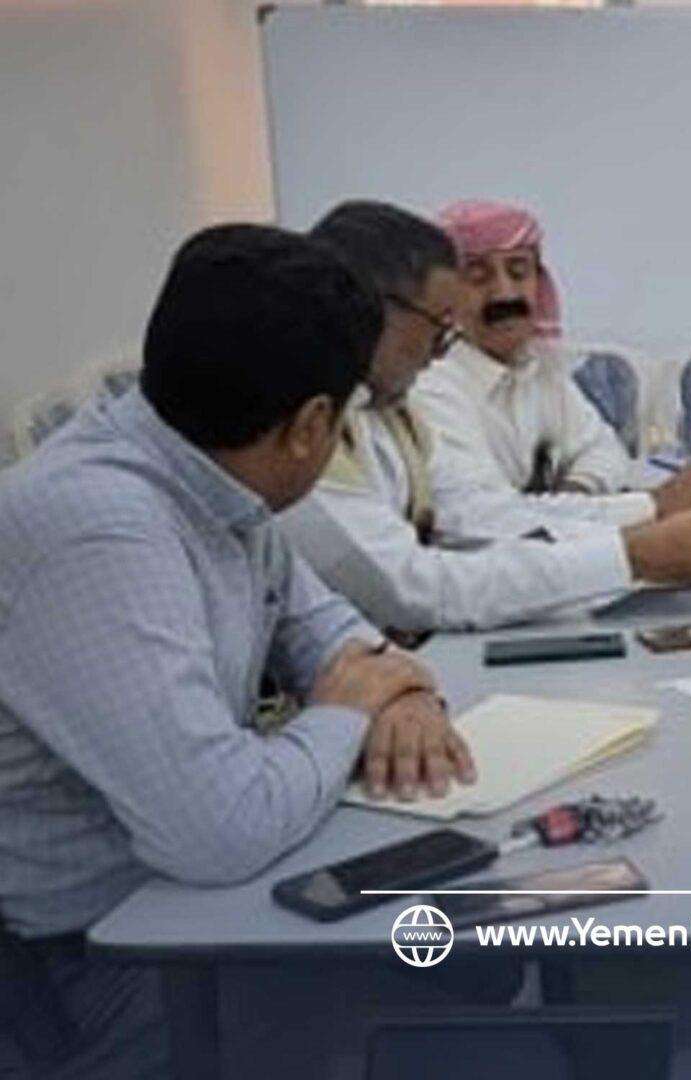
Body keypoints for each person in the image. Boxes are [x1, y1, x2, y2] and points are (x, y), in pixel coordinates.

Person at [0, 225, 474, 1076]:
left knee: (465, 972)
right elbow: (219, 832)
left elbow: (328, 628)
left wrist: (403, 694)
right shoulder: (97, 531)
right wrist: (347, 709)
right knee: (445, 1015)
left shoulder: (208, 474)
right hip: (82, 968)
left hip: (188, 902)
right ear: (312, 425)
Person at [280, 201, 691, 634]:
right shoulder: (306, 432)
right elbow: (415, 587)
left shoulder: (387, 410)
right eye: (438, 327)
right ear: (374, 312)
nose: (440, 352)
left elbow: (485, 516)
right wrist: (632, 555)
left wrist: (644, 524)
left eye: (520, 272)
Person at [409, 198, 691, 539]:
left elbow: (602, 449)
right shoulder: (431, 383)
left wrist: (575, 495)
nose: (504, 293)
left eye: (518, 272)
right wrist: (656, 504)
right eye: (477, 276)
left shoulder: (537, 367)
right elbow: (483, 518)